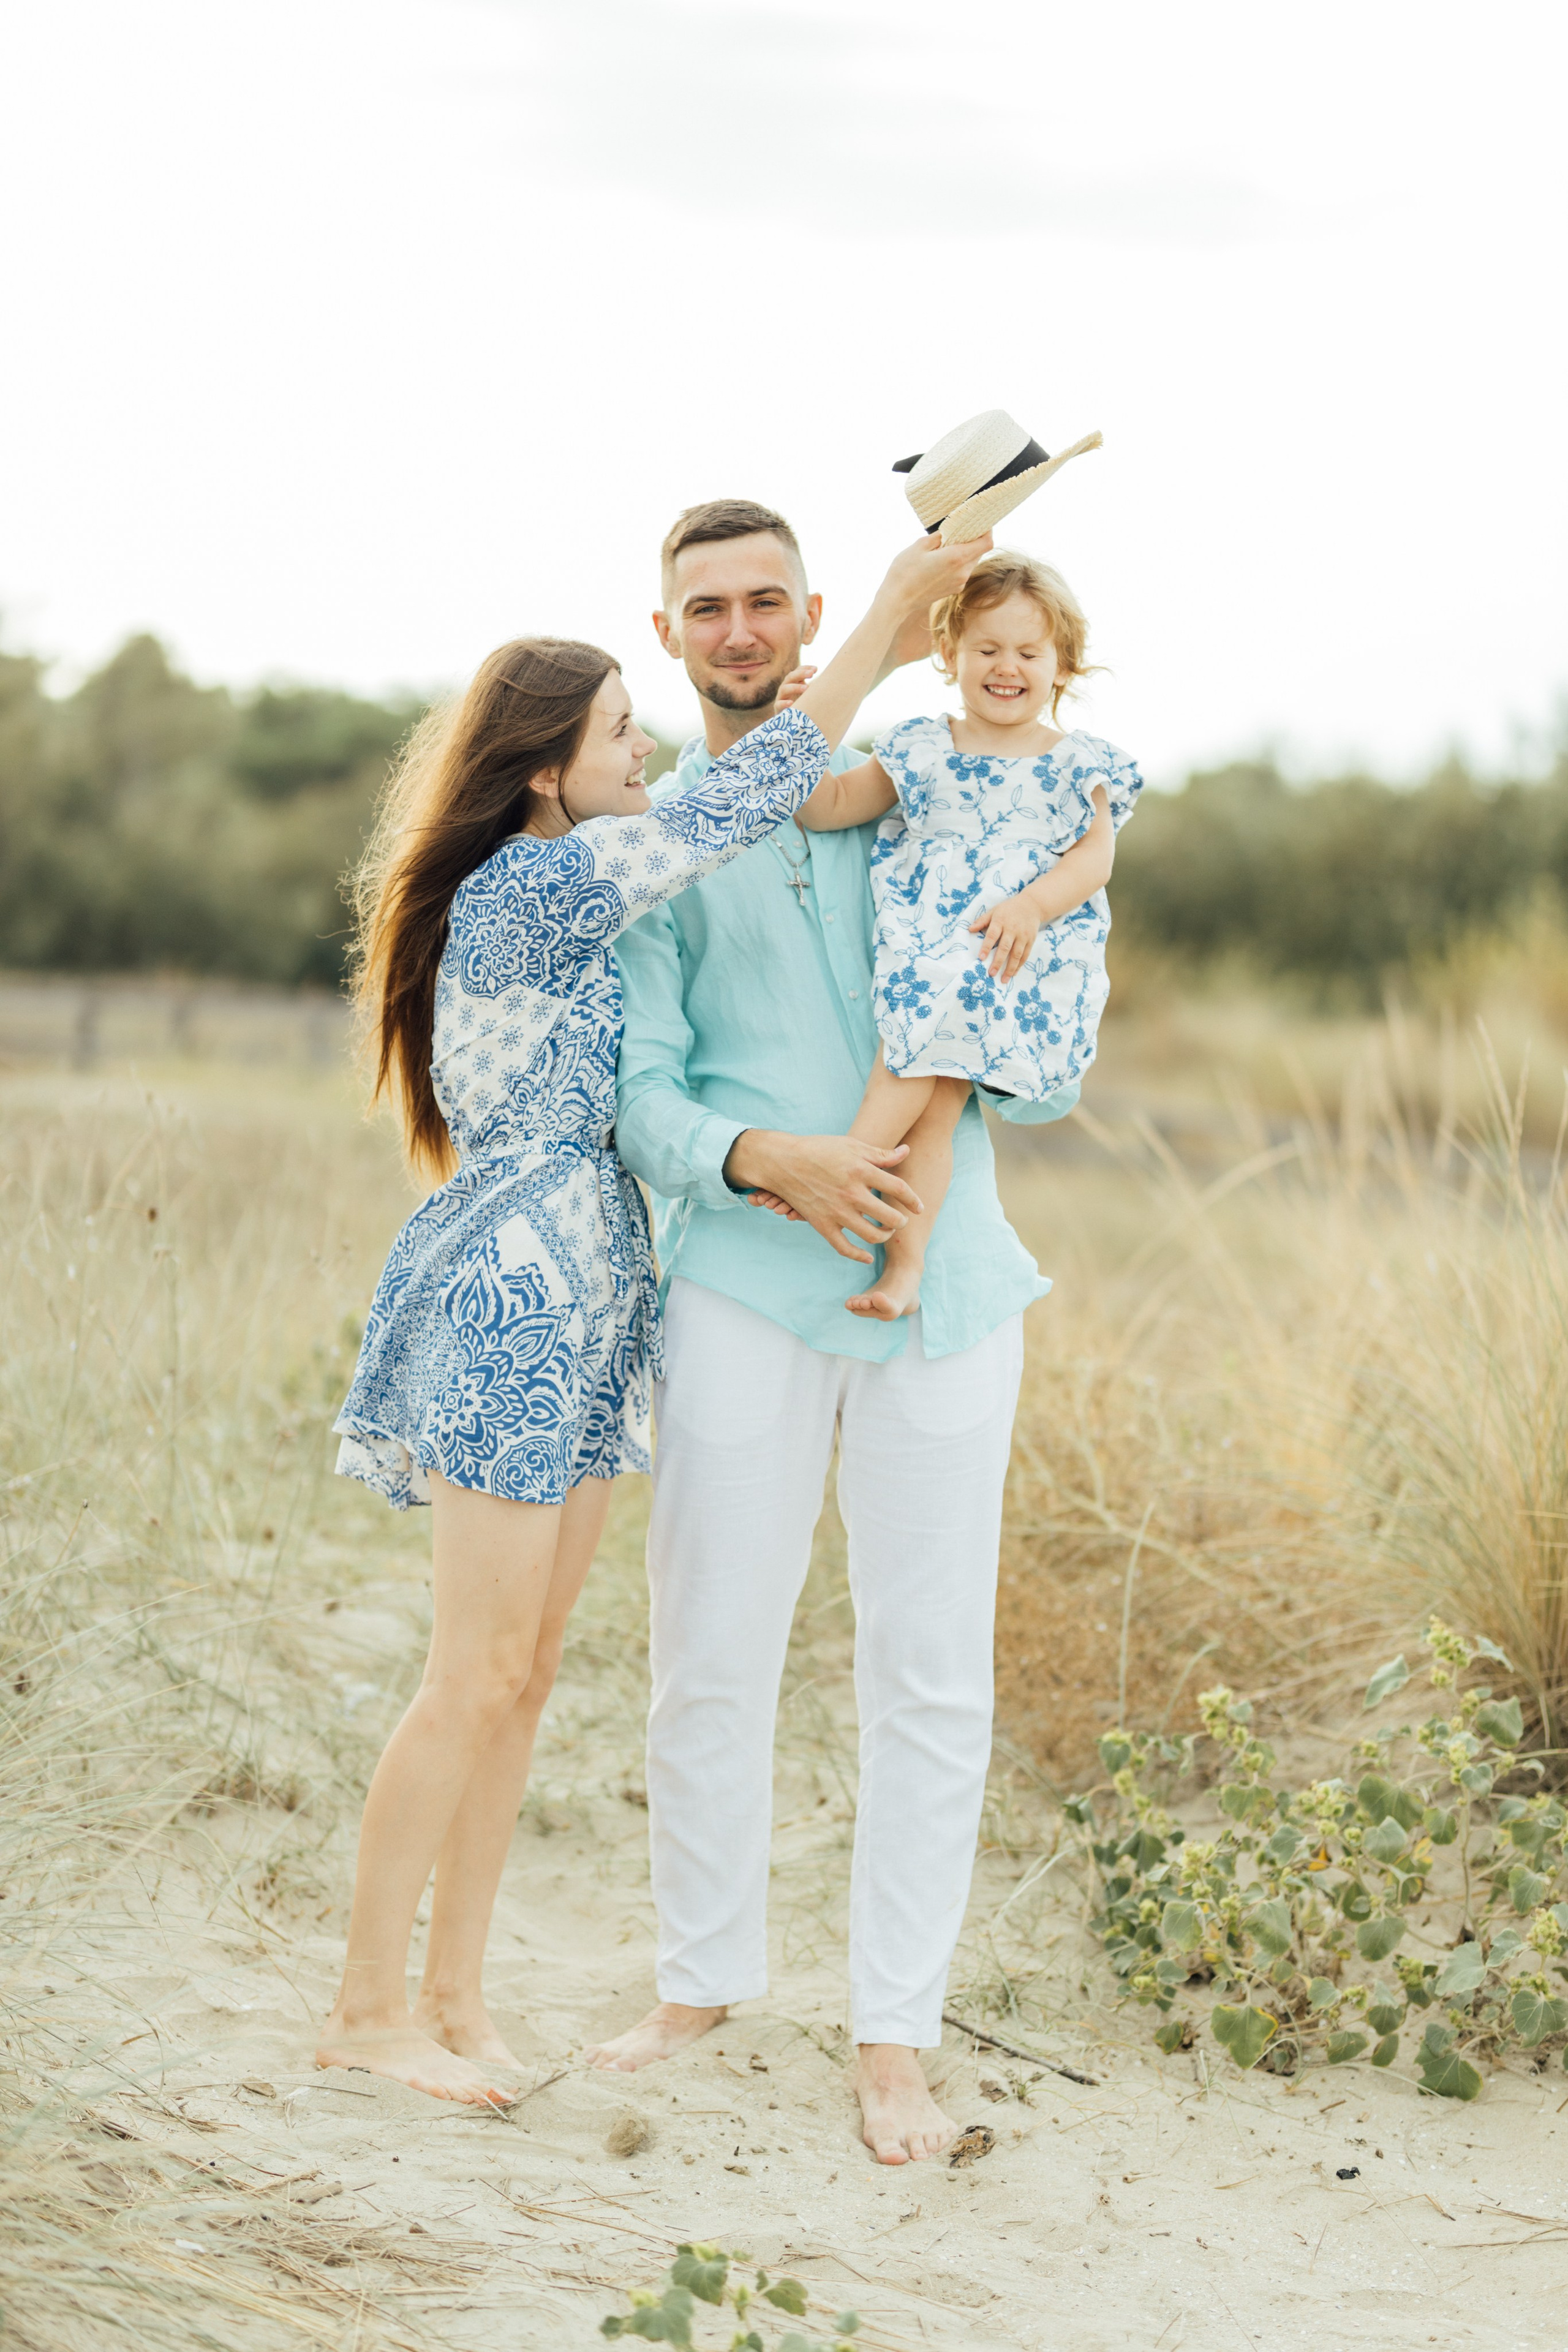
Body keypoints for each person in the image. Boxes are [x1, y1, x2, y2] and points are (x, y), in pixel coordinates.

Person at [317, 533, 981, 2107]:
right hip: (513, 1291)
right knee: (470, 1670)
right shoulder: (540, 883)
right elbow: (738, 798)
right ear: (545, 772)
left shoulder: (574, 890)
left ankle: (459, 1997)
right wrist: (888, 614)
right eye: (620, 730)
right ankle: (364, 2006)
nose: (643, 750)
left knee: (530, 1668)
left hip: (597, 1290)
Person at [588, 500, 1082, 2166]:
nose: (736, 628)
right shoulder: (650, 846)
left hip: (950, 1289)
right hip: (741, 1274)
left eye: (764, 602)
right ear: (668, 635)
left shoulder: (938, 782)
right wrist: (761, 1160)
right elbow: (640, 1090)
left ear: (814, 619)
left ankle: (895, 2039)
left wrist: (996, 1031)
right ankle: (701, 1983)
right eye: (704, 607)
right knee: (710, 1646)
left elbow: (1058, 1046)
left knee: (932, 1676)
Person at [774, 551, 1143, 1320]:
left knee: (903, 1070)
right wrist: (794, 732)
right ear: (950, 653)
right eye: (987, 649)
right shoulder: (918, 746)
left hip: (1005, 957)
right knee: (933, 1110)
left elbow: (1095, 857)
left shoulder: (1078, 764)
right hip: (925, 952)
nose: (1006, 667)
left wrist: (1033, 906)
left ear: (1062, 665)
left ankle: (842, 1172)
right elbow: (830, 805)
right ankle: (904, 1267)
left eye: (1028, 653)